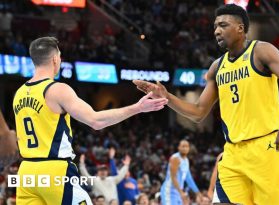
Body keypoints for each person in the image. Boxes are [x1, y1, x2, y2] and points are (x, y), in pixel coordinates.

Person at [133, 4, 279, 204]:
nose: (216, 31)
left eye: (223, 25)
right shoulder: (217, 67)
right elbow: (198, 112)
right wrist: (167, 96)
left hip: (266, 149)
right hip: (233, 153)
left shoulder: (261, 51)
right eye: (215, 26)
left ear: (240, 28)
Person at [13, 37, 168, 205]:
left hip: (26, 173)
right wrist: (137, 108)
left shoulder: (19, 94)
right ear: (55, 59)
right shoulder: (57, 90)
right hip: (54, 171)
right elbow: (95, 121)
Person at [160, 140, 201, 205]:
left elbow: (189, 178)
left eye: (186, 146)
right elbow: (173, 177)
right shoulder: (175, 158)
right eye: (183, 146)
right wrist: (181, 192)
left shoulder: (186, 160)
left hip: (178, 192)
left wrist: (197, 192)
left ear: (189, 148)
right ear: (178, 147)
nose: (185, 148)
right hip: (169, 191)